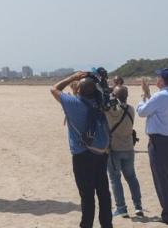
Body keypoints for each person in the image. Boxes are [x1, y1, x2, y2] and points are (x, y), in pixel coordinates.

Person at [52, 71, 112, 228]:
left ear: (78, 90)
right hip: (101, 152)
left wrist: (73, 77)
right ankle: (107, 225)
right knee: (103, 193)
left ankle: (86, 225)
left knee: (87, 196)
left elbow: (54, 89)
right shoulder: (100, 102)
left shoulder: (74, 104)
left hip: (82, 153)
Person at [136, 68, 168, 226]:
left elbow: (142, 112)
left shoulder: (160, 95)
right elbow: (157, 109)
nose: (156, 79)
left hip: (160, 142)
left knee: (161, 179)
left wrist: (144, 96)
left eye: (158, 77)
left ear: (163, 80)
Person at [105, 85, 143, 218]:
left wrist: (108, 97)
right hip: (129, 148)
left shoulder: (111, 111)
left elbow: (107, 111)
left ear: (115, 96)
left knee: (115, 179)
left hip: (114, 149)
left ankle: (121, 208)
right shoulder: (131, 109)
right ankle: (138, 206)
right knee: (132, 178)